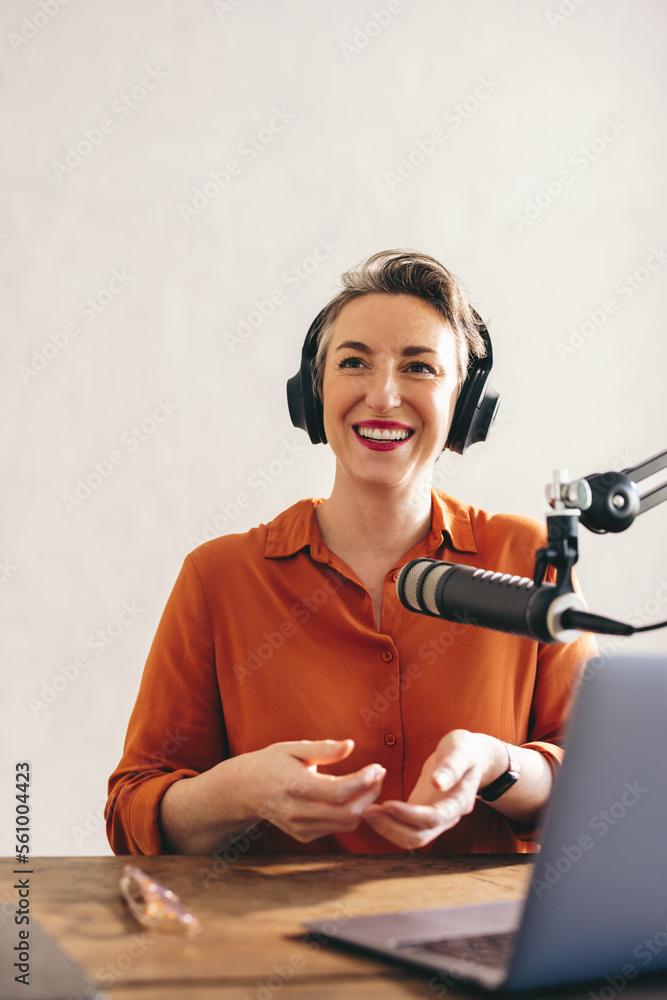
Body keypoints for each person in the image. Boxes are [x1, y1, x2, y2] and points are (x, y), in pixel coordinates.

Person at [106, 249, 596, 857]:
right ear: (314, 393)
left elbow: (600, 793)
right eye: (355, 362)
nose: (384, 395)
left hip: (477, 942)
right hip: (274, 943)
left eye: (419, 368)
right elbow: (132, 816)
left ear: (464, 406)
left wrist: (497, 767)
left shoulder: (529, 557)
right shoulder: (219, 577)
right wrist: (239, 792)